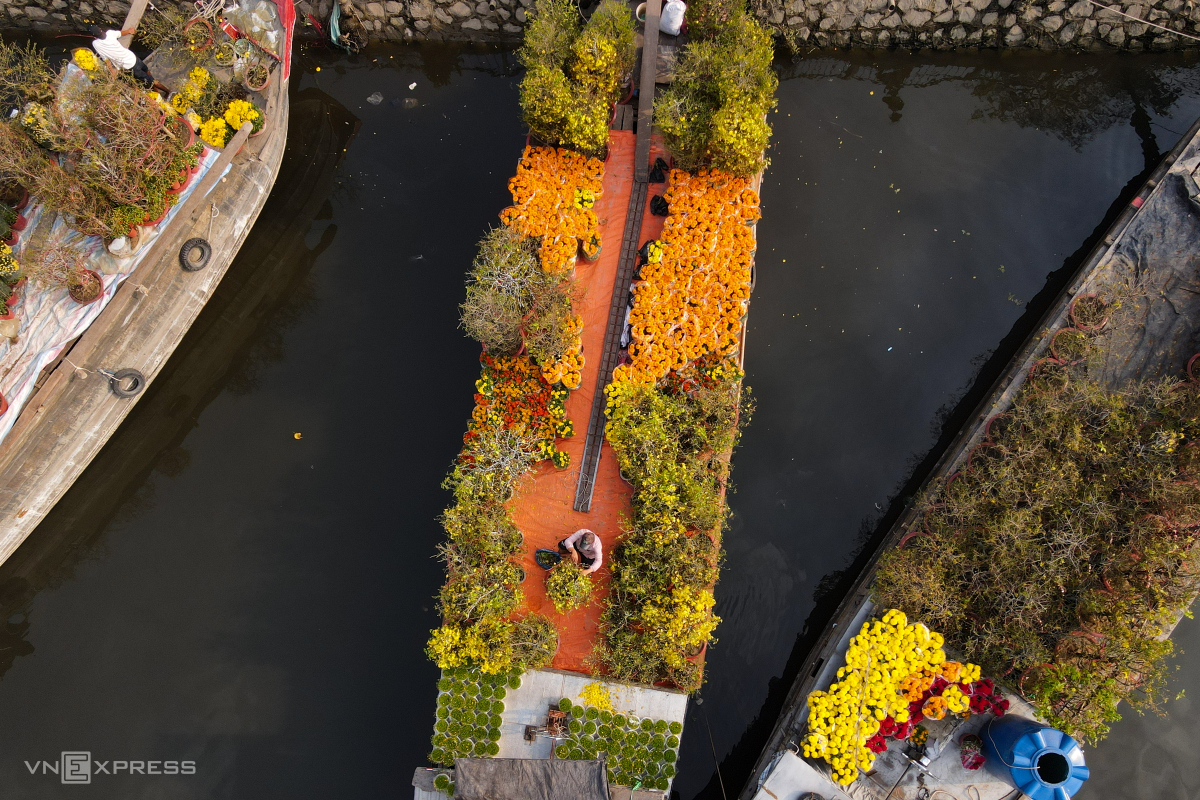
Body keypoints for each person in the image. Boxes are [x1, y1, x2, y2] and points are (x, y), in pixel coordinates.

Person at [89, 26, 155, 88]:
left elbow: (106, 60)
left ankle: (161, 89)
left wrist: (112, 72)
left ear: (94, 36)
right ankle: (155, 86)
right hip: (132, 57)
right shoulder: (110, 33)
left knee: (148, 80)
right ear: (101, 29)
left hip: (128, 66)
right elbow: (120, 33)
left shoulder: (95, 44)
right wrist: (129, 31)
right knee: (146, 70)